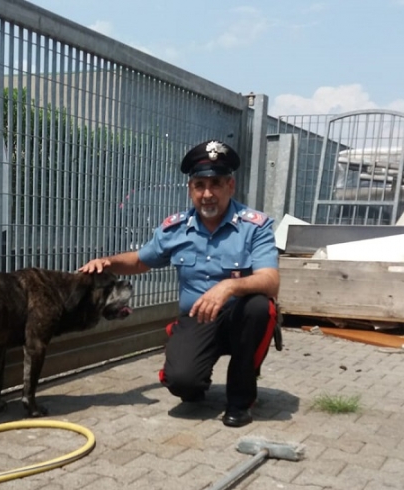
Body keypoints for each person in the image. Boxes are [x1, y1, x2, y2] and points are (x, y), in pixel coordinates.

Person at [79, 139, 280, 427]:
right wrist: (108, 262)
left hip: (240, 318)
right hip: (197, 318)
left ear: (230, 186)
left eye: (216, 184)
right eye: (200, 185)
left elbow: (270, 281)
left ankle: (240, 400)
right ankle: (190, 368)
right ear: (190, 189)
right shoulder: (175, 228)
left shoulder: (254, 227)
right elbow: (140, 260)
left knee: (261, 307)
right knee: (183, 382)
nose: (207, 194)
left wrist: (228, 287)